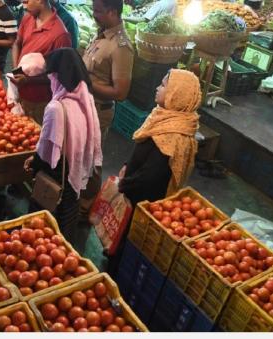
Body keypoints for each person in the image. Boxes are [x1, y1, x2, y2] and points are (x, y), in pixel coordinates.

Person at [108, 69, 201, 276]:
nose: (158, 88)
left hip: (144, 200)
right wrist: (127, 164)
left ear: (177, 94)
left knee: (129, 241)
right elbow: (142, 148)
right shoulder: (164, 116)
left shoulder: (174, 133)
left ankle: (115, 278)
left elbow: (150, 177)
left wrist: (124, 185)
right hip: (136, 187)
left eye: (164, 85)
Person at [24, 48, 102, 235]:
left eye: (51, 76)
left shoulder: (56, 108)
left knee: (43, 228)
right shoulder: (86, 99)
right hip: (75, 174)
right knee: (66, 224)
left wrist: (32, 163)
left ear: (58, 75)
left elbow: (46, 153)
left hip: (56, 176)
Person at [79, 0, 134, 217]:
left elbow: (121, 92)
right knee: (79, 156)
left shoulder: (121, 47)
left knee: (92, 160)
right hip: (83, 105)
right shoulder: (100, 33)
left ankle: (86, 208)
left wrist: (86, 83)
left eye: (98, 11)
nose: (94, 14)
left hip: (98, 111)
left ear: (112, 12)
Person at [11, 0, 72, 125]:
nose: (23, 2)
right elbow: (17, 43)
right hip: (19, 95)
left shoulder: (60, 35)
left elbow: (60, 76)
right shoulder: (28, 18)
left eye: (27, 0)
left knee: (36, 140)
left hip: (40, 103)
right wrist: (16, 70)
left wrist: (29, 80)